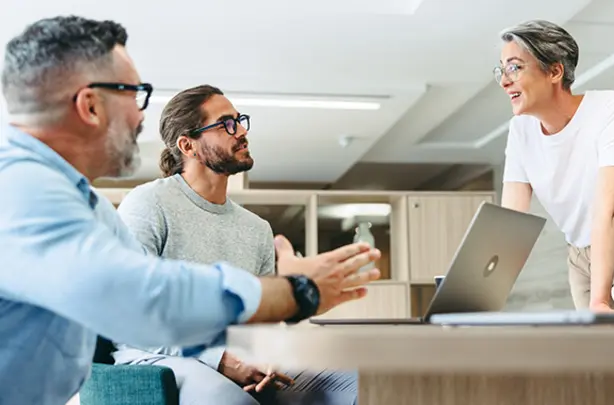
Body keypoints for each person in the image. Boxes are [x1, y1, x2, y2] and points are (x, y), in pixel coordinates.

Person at [0, 15, 380, 405]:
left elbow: (147, 298)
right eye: (135, 95)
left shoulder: (85, 202)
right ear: (91, 105)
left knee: (366, 385)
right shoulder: (21, 190)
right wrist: (296, 291)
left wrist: (289, 308)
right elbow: (146, 301)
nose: (141, 116)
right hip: (159, 364)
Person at [111, 84, 361, 405]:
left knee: (359, 386)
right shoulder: (148, 204)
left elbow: (264, 323)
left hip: (239, 355)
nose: (241, 131)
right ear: (188, 145)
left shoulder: (257, 229)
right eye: (227, 124)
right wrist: (221, 359)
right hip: (156, 354)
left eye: (240, 120)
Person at [496, 19, 614, 311]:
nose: (504, 81)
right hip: (579, 260)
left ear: (555, 70)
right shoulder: (521, 130)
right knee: (593, 355)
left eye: (514, 67)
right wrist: (477, 293)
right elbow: (510, 220)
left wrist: (599, 301)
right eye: (501, 70)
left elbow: (608, 211)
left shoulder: (613, 110)